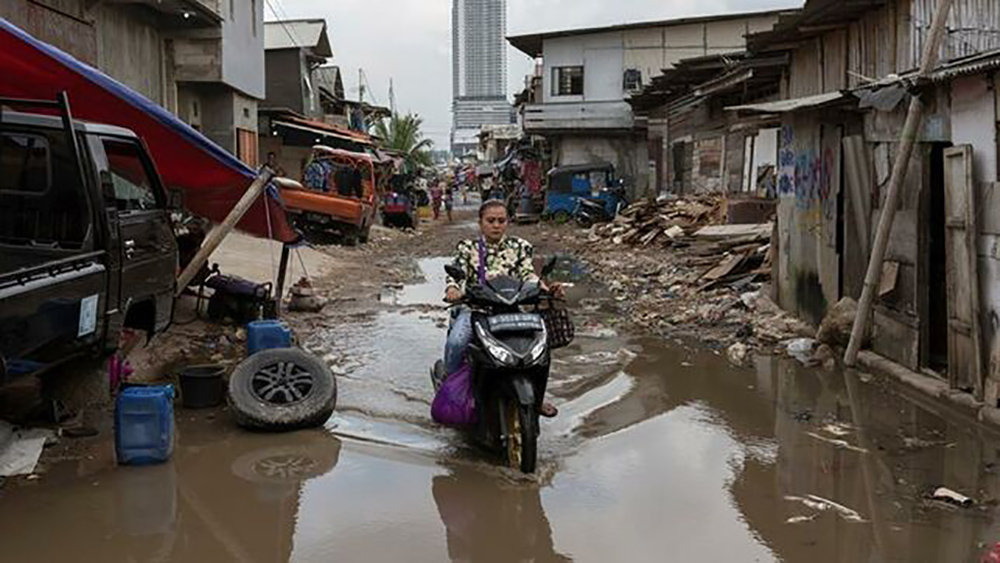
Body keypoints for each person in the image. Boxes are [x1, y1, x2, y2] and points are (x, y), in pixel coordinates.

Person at [443, 199, 561, 417]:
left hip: (513, 310)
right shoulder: (468, 248)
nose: (496, 225)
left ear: (507, 222)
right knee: (457, 341)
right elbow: (455, 275)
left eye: (501, 220)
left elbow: (528, 274)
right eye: (491, 221)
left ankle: (538, 396)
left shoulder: (520, 247)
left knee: (541, 347)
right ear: (481, 223)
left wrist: (545, 288)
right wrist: (453, 289)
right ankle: (451, 390)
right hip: (477, 310)